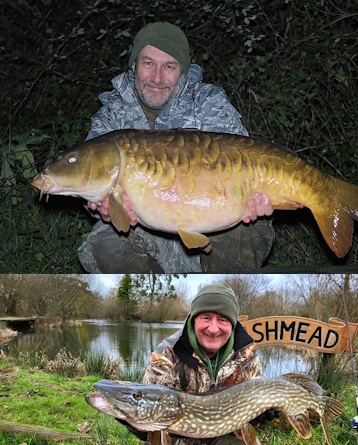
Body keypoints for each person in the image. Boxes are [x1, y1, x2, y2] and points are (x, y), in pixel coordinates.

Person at [77, 22, 275, 274]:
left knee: (250, 226)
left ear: (182, 70)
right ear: (134, 64)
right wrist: (101, 206)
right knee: (103, 244)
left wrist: (255, 197)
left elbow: (243, 160)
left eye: (169, 66)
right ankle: (160, 301)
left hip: (214, 228)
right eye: (148, 63)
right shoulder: (110, 118)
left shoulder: (207, 101)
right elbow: (92, 185)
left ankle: (217, 294)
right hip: (151, 236)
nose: (157, 78)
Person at [118, 283, 280, 445]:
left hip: (225, 437)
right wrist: (129, 418)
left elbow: (247, 416)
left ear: (233, 324)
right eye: (206, 317)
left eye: (223, 320)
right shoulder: (167, 355)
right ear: (193, 318)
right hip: (178, 443)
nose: (213, 328)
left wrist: (258, 417)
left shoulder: (246, 355)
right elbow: (152, 421)